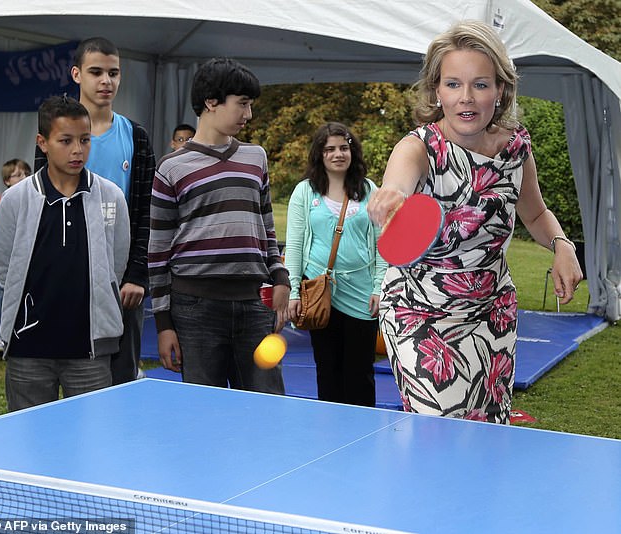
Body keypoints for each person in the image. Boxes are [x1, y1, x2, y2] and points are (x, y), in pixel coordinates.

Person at [367, 20, 582, 424]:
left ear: (500, 90)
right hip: (420, 313)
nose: (466, 98)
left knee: (487, 432)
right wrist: (391, 197)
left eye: (480, 84)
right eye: (453, 84)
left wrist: (562, 245)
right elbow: (398, 182)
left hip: (492, 311)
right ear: (436, 90)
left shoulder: (516, 149)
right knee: (440, 431)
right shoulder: (419, 148)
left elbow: (535, 213)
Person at [149, 57, 289, 394]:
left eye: (250, 104)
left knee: (267, 411)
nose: (249, 114)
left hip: (255, 306)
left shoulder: (257, 157)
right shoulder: (171, 167)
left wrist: (280, 277)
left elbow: (266, 227)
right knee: (203, 416)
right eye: (242, 103)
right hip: (195, 309)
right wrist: (163, 324)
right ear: (211, 102)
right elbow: (157, 253)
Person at [0, 95, 130, 411]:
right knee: (28, 444)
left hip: (90, 350)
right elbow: (5, 266)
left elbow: (117, 262)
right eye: (65, 140)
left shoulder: (111, 195)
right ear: (42, 142)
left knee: (93, 444)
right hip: (28, 347)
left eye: (85, 140)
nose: (77, 150)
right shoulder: (15, 200)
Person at [35, 37, 156, 385]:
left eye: (113, 73)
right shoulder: (54, 133)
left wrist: (137, 274)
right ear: (76, 74)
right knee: (66, 375)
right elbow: (42, 205)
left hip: (119, 280)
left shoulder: (135, 135)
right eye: (96, 72)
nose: (106, 81)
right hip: (66, 273)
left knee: (121, 377)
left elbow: (147, 212)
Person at [285, 122, 386, 407]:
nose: (337, 154)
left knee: (360, 374)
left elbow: (383, 244)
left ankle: (362, 436)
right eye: (329, 149)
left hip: (362, 295)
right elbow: (293, 245)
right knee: (327, 371)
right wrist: (293, 291)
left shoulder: (369, 190)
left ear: (352, 151)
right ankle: (328, 433)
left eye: (343, 147)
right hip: (319, 293)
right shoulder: (305, 192)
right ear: (320, 154)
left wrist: (379, 287)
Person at [0, 159, 31, 358]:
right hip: (11, 261)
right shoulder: (3, 201)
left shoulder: (34, 199)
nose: (23, 178)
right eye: (18, 175)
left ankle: (22, 332)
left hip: (28, 260)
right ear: (7, 180)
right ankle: (0, 336)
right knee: (2, 293)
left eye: (25, 173)